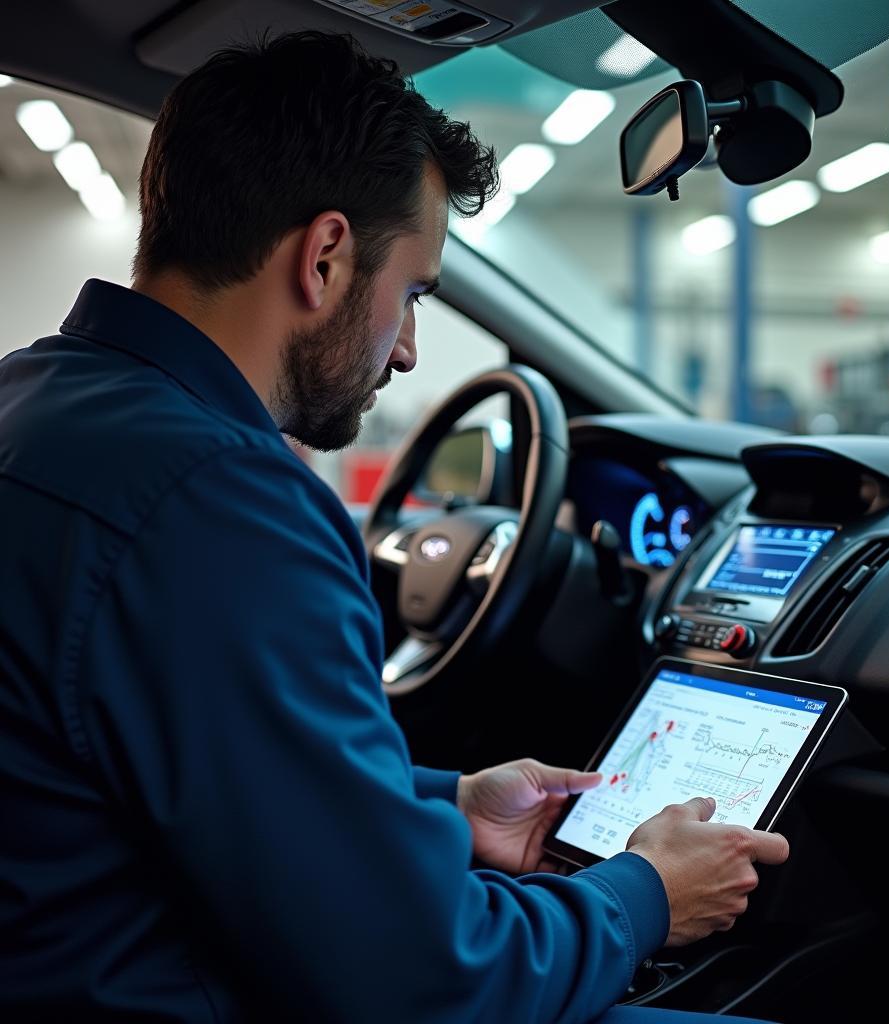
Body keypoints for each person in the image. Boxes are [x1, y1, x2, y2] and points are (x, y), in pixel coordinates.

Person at [0, 31, 788, 1023]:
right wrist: (644, 894)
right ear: (326, 255)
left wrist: (446, 806)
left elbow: (200, 762)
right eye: (411, 294)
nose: (409, 350)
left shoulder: (39, 404)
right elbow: (426, 981)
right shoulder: (219, 503)